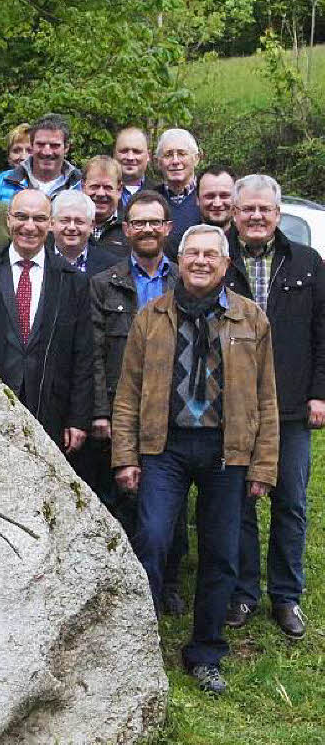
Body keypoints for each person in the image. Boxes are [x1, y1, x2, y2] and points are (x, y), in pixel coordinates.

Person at [112, 224, 278, 695]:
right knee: (153, 539)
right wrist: (127, 456)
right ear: (178, 261)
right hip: (164, 447)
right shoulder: (152, 316)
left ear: (226, 264)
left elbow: (266, 397)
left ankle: (206, 652)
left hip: (227, 451)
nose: (201, 261)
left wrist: (263, 466)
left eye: (211, 254)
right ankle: (136, 648)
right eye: (192, 254)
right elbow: (128, 395)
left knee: (222, 554)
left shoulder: (251, 320)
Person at [223, 174, 325, 640]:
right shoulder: (217, 260)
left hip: (289, 407)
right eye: (248, 210)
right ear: (234, 214)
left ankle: (285, 596)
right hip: (232, 406)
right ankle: (243, 592)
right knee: (238, 503)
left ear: (278, 214)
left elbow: (322, 333)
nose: (257, 216)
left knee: (291, 504)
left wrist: (318, 393)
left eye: (265, 209)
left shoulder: (306, 261)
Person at [88, 190, 188, 614]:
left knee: (174, 504)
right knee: (124, 496)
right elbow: (92, 353)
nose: (147, 229)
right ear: (126, 230)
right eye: (138, 223)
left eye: (155, 222)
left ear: (168, 229)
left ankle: (169, 584)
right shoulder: (104, 283)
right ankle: (127, 590)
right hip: (121, 406)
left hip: (176, 409)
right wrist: (99, 410)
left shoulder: (187, 281)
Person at [0, 189, 93, 451]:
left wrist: (78, 418)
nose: (29, 226)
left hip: (51, 410)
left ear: (51, 224)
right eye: (21, 216)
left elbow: (83, 355)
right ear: (8, 220)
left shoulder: (72, 281)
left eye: (39, 218)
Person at [0, 114, 82, 202]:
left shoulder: (80, 185)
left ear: (66, 148)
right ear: (32, 145)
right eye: (40, 144)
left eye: (54, 145)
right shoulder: (0, 184)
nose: (47, 152)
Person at [49, 190, 119, 276]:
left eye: (79, 221)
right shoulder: (39, 260)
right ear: (51, 224)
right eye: (65, 221)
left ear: (91, 226)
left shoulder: (112, 266)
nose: (72, 227)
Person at [154, 128, 202, 248]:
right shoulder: (150, 200)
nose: (175, 161)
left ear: (196, 159)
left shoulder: (209, 199)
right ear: (158, 162)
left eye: (182, 154)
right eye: (168, 155)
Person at [82, 155, 129, 257]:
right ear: (83, 187)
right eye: (95, 186)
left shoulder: (130, 229)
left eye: (107, 187)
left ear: (119, 190)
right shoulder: (69, 225)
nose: (100, 193)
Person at [0, 123, 30, 199]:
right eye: (16, 151)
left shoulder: (51, 184)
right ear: (9, 157)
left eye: (29, 150)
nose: (23, 157)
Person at [113, 127, 151, 208]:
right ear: (114, 154)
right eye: (124, 151)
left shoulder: (161, 194)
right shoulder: (99, 192)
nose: (130, 157)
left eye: (137, 152)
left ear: (148, 155)